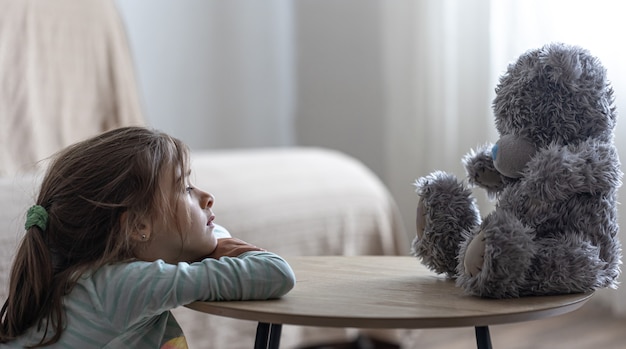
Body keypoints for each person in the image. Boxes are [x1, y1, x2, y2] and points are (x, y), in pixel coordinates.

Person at [0, 126, 296, 348]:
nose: (207, 197)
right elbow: (276, 272)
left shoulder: (79, 272)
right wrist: (216, 245)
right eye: (185, 188)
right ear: (138, 227)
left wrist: (211, 240)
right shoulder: (126, 284)